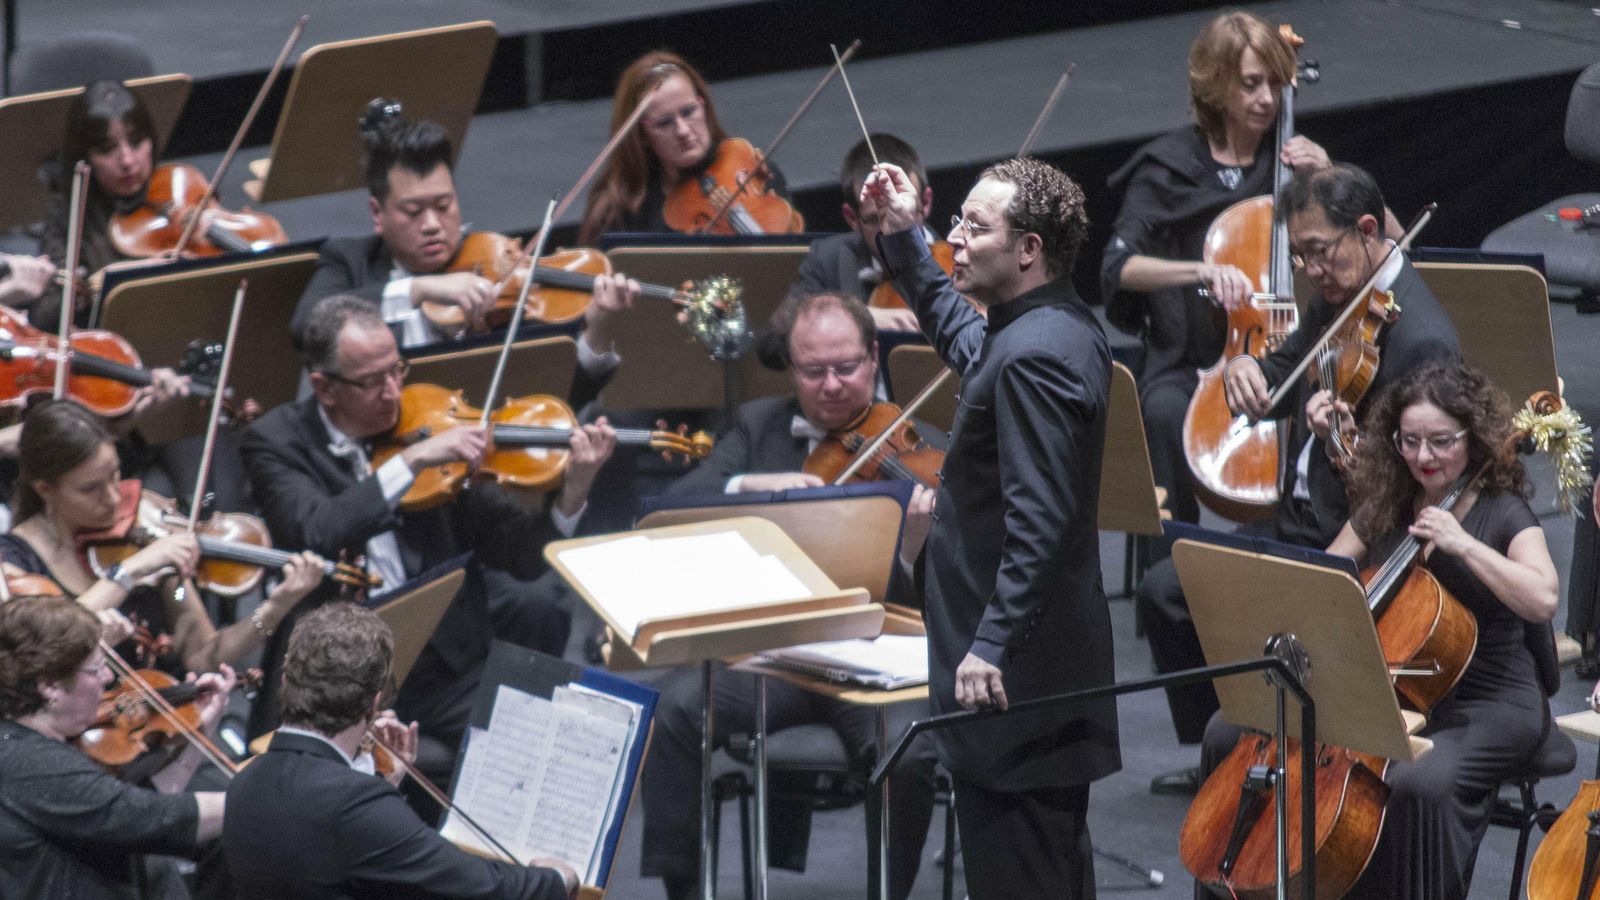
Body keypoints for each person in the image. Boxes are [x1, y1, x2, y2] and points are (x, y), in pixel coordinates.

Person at [1136, 162, 1460, 791]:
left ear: (1368, 230)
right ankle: (1227, 750)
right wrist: (1247, 372)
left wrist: (1344, 446)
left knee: (1186, 592)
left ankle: (1239, 749)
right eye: (1301, 256)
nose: (1310, 272)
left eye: (1318, 253)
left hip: (1352, 544)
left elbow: (1407, 490)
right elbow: (1288, 368)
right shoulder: (1341, 297)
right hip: (1298, 523)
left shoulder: (1420, 339)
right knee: (1167, 590)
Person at [861, 156, 1118, 898]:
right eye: (955, 224)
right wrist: (904, 238)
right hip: (1028, 693)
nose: (957, 240)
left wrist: (991, 646)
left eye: (975, 227)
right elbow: (971, 347)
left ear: (1029, 249)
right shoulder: (1041, 328)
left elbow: (1041, 520)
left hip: (1016, 694)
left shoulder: (1036, 352)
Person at [640, 291, 938, 900]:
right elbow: (678, 505)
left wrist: (909, 548)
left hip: (878, 660)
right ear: (792, 369)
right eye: (813, 371)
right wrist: (751, 482)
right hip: (774, 658)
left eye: (846, 367)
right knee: (673, 715)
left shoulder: (922, 444)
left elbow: (958, 592)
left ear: (873, 357)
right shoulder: (758, 427)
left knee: (907, 757)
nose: (831, 386)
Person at [240, 293, 616, 757]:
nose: (393, 394)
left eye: (397, 371)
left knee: (552, 741)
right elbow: (317, 530)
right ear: (324, 388)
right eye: (371, 382)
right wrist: (411, 462)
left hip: (440, 656)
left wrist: (573, 491)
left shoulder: (428, 416)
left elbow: (517, 556)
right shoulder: (276, 441)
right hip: (337, 671)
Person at [1310, 361, 1556, 899]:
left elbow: (1543, 596)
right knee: (1236, 735)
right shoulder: (1390, 500)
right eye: (1410, 441)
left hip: (1490, 699)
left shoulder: (1502, 512)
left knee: (1416, 784)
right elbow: (1324, 577)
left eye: (1442, 442)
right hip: (1403, 691)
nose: (1423, 457)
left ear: (1473, 438)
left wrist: (1464, 543)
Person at [1100, 11, 1338, 540]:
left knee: (1325, 411)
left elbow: (1373, 237)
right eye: (1251, 85)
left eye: (1276, 84)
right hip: (1193, 362)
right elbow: (1117, 268)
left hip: (1285, 353)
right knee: (1162, 414)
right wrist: (1202, 270)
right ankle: (1175, 578)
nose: (1268, 100)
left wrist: (1329, 178)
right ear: (1216, 86)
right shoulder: (1170, 166)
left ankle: (1303, 558)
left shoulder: (1294, 157)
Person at [224, 601, 575, 899]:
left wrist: (383, 783)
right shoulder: (354, 807)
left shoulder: (245, 781)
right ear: (374, 702)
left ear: (285, 682)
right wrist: (557, 881)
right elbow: (482, 889)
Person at [291, 112, 639, 373]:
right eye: (412, 211)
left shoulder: (497, 274)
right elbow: (307, 326)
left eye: (443, 206)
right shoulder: (349, 260)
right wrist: (421, 288)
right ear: (377, 213)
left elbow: (561, 393)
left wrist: (597, 332)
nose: (432, 225)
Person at [0, 399, 324, 677]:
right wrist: (131, 570)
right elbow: (42, 643)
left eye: (115, 475)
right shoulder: (15, 560)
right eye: (90, 488)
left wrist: (275, 607)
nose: (113, 497)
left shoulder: (146, 531)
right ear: (45, 489)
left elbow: (203, 655)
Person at [0, 595, 229, 899]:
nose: (108, 678)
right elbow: (147, 819)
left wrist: (201, 728)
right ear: (50, 685)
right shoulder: (31, 763)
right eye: (95, 669)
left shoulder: (26, 746)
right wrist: (256, 801)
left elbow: (143, 805)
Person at [578, 50, 791, 244]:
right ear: (641, 135)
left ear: (703, 106)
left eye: (689, 112)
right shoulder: (620, 209)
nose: (682, 131)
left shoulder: (755, 173)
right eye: (664, 122)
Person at [789, 134, 937, 333]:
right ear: (851, 218)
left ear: (925, 203)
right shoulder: (827, 259)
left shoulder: (961, 257)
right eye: (875, 219)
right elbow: (771, 345)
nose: (892, 231)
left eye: (904, 213)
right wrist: (856, 317)